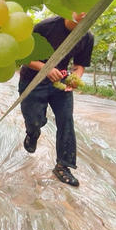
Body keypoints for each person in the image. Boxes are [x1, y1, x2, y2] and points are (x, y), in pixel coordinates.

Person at [18, 11, 94, 187]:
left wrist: (75, 77)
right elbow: (24, 56)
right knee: (35, 120)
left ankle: (63, 166)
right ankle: (32, 133)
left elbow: (79, 65)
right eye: (80, 8)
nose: (84, 13)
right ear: (70, 9)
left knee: (66, 120)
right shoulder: (45, 27)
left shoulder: (87, 37)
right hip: (33, 80)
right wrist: (45, 68)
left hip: (59, 82)